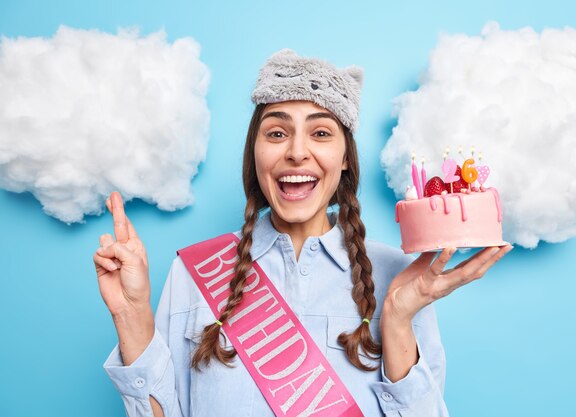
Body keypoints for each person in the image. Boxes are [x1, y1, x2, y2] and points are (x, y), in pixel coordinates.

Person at [94, 49, 512, 417]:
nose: (296, 150)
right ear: (255, 154)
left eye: (321, 133)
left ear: (345, 157)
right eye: (277, 133)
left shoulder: (399, 277)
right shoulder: (195, 273)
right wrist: (131, 314)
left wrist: (398, 320)